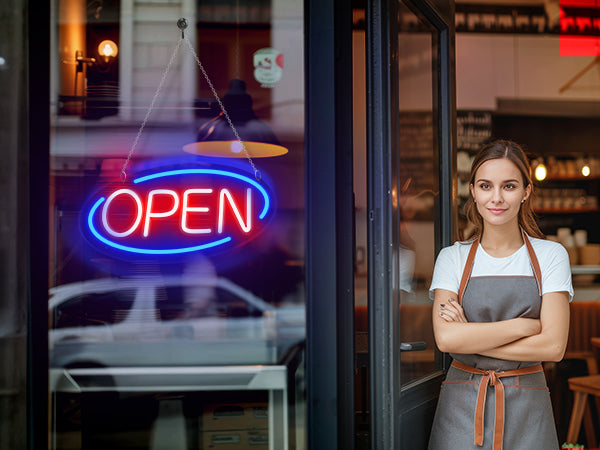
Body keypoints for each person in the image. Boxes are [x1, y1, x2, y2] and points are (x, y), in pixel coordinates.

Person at [428, 140, 573, 450]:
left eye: (509, 186)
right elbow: (446, 340)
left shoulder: (551, 256)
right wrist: (523, 327)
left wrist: (469, 335)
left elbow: (554, 346)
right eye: (485, 185)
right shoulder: (451, 258)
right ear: (473, 191)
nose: (496, 197)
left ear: (526, 191)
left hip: (528, 405)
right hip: (461, 404)